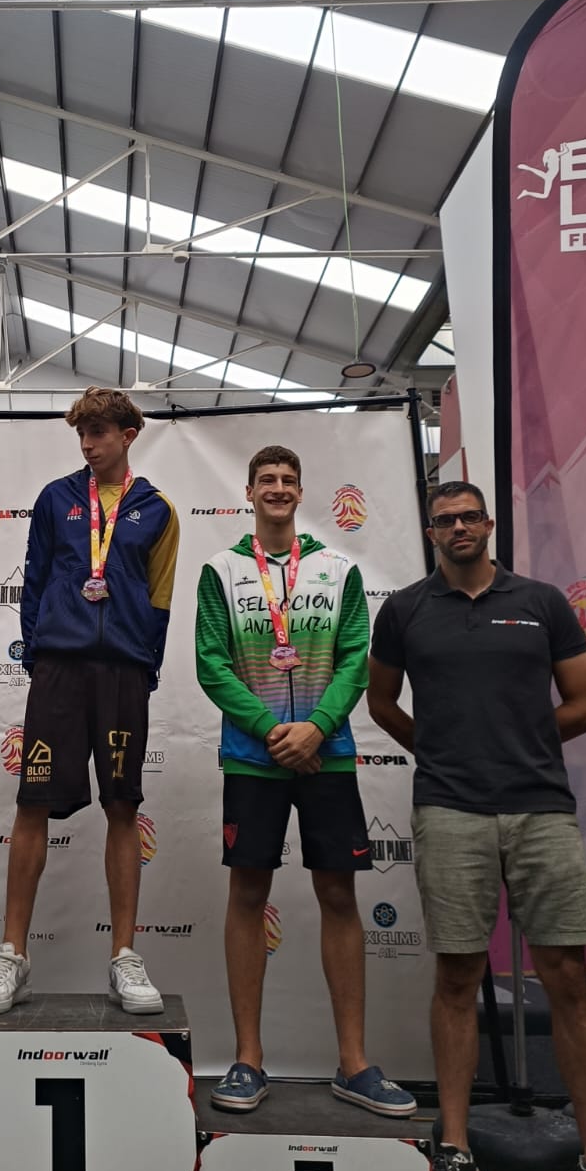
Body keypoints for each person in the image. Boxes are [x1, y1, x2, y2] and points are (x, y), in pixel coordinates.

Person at [368, 481, 586, 1171]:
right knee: (456, 977)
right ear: (431, 532)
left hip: (541, 808)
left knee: (566, 976)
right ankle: (455, 1152)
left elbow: (585, 704)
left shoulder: (542, 602)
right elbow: (380, 702)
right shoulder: (404, 609)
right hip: (448, 808)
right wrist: (441, 751)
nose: (458, 528)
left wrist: (518, 743)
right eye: (445, 520)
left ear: (488, 524)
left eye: (469, 517)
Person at [196, 445, 416, 1118]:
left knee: (339, 896)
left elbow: (355, 661)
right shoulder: (221, 570)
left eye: (288, 480)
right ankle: (247, 1059)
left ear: (300, 491)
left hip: (329, 755)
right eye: (267, 479)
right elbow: (211, 663)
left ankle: (354, 1063)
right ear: (249, 492)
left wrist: (316, 728)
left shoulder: (337, 569)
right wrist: (273, 731)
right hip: (254, 757)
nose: (278, 488)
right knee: (247, 895)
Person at [0, 387, 179, 1015]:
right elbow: (33, 580)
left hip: (122, 671)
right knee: (32, 803)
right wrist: (39, 654)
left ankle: (124, 956)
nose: (88, 445)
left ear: (128, 435)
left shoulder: (158, 508)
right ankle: (12, 954)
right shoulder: (55, 498)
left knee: (122, 805)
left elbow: (160, 599)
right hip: (59, 668)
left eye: (99, 433)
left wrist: (144, 664)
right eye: (82, 434)